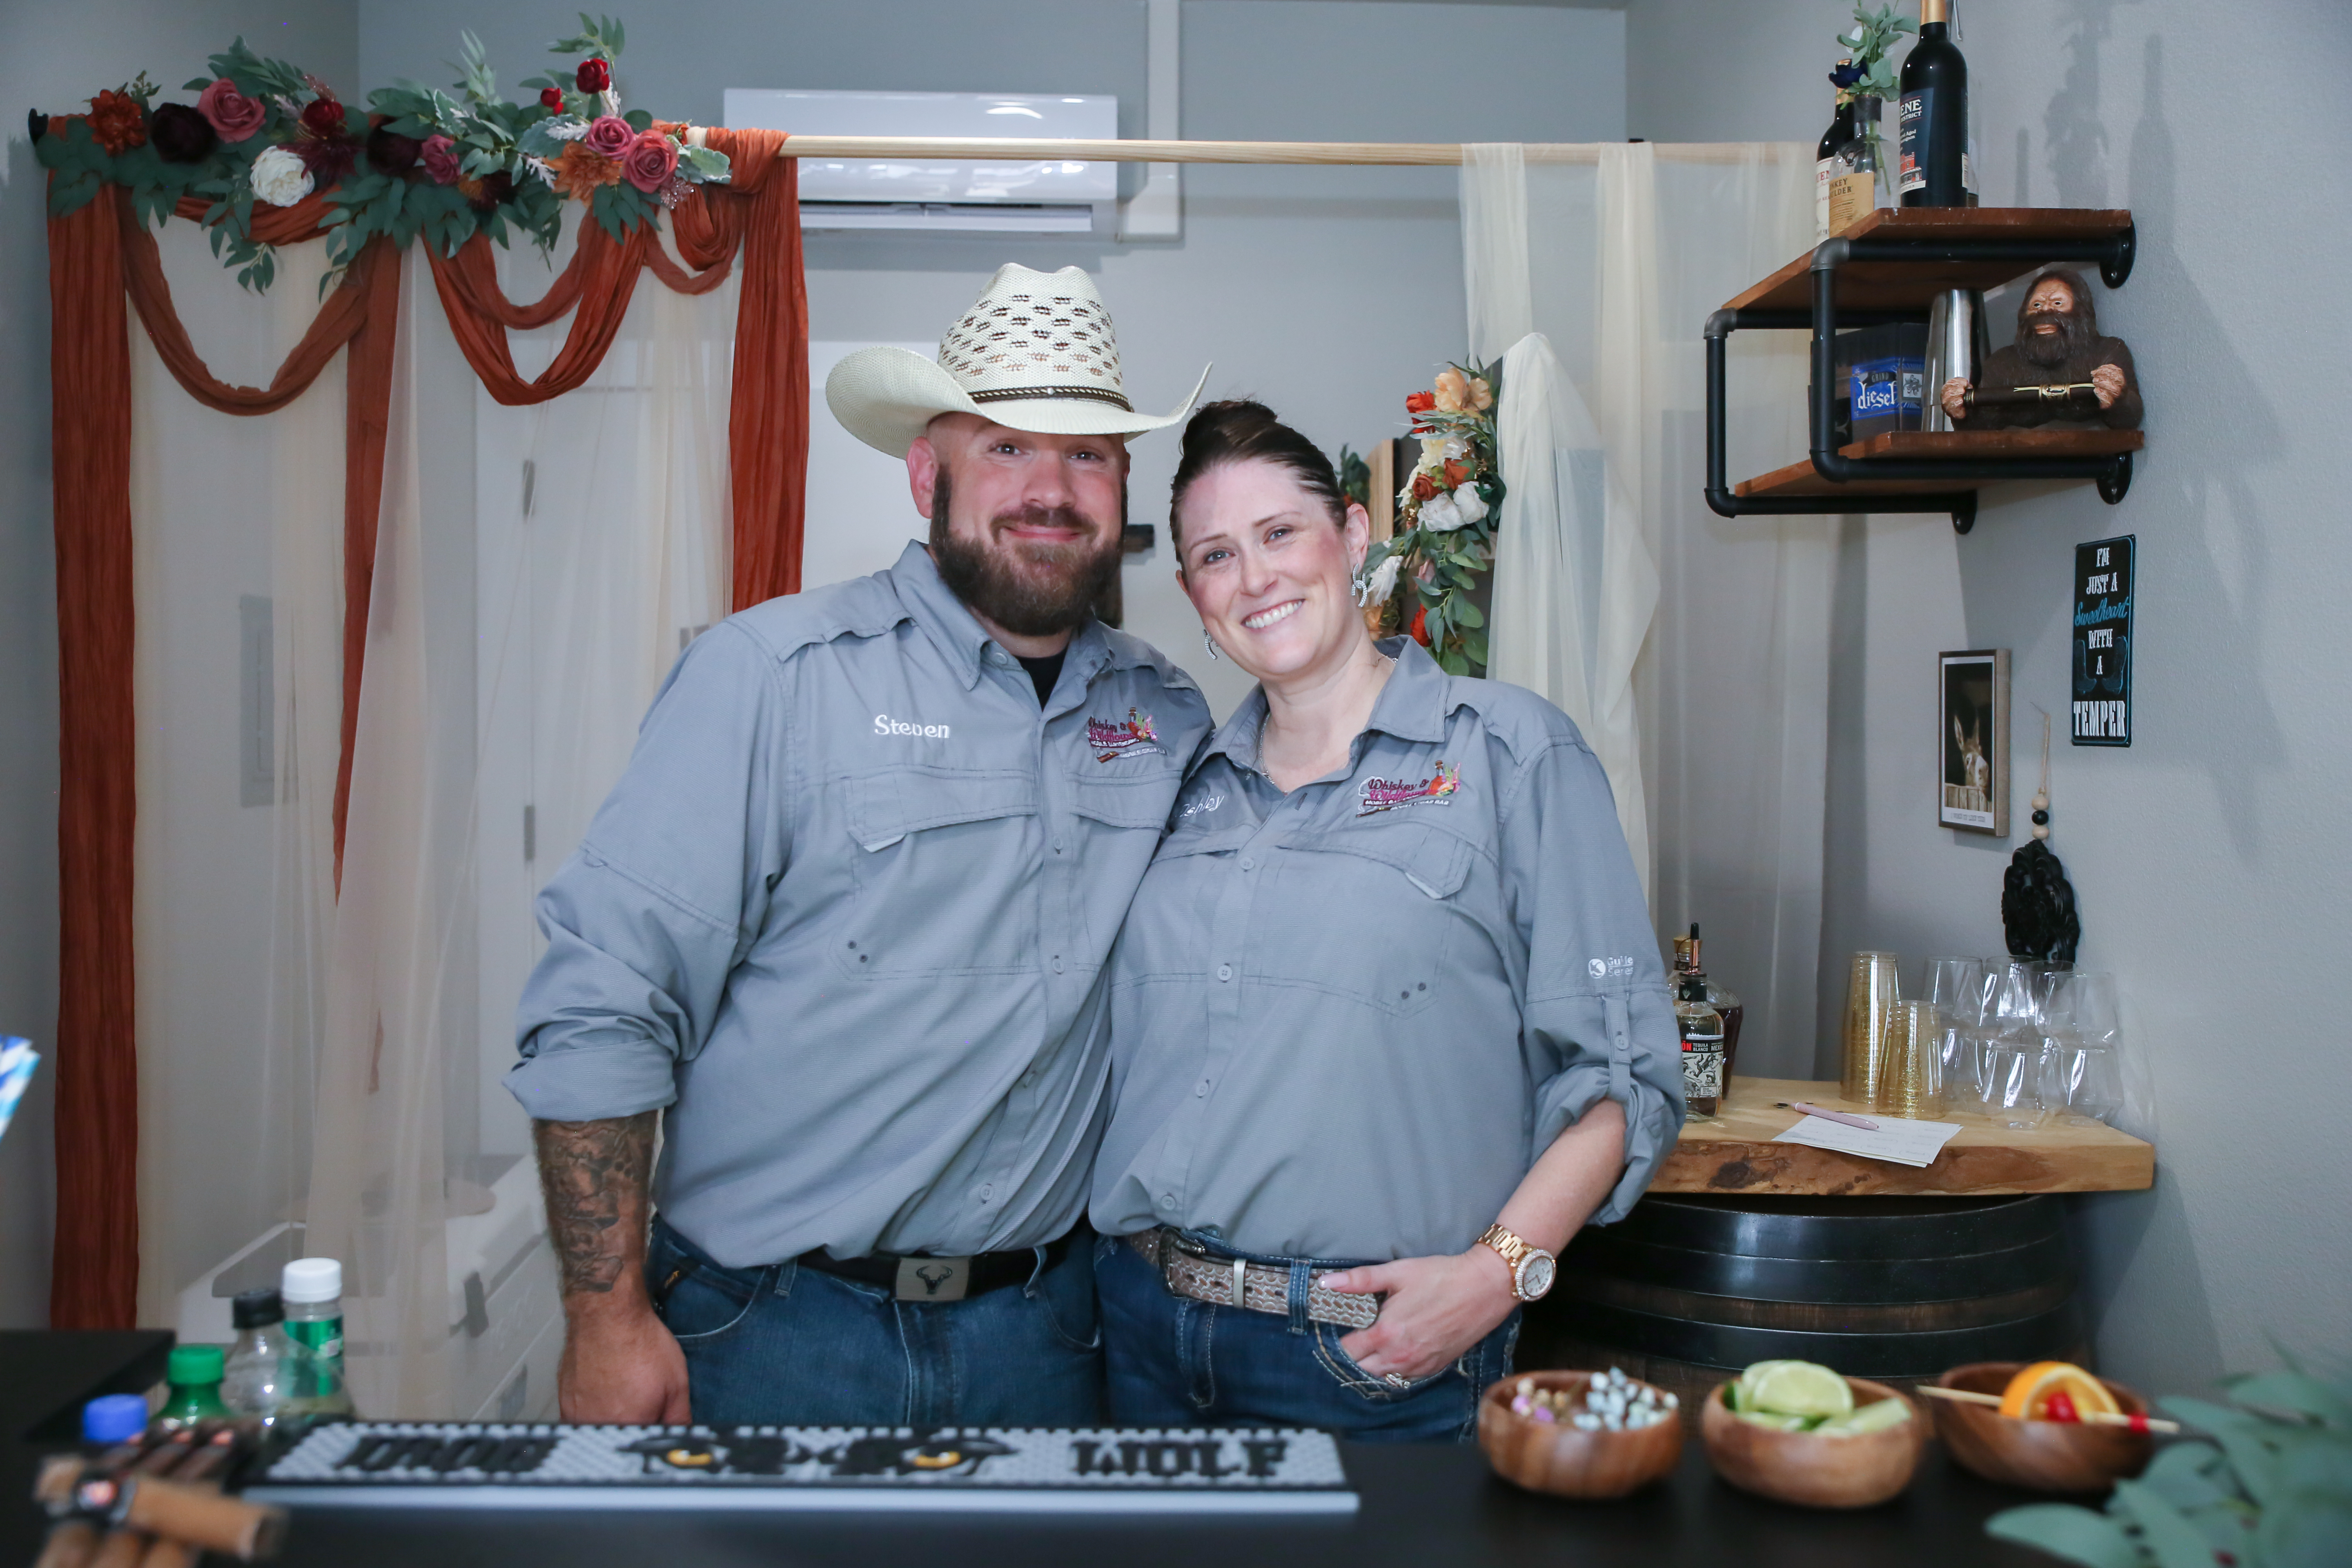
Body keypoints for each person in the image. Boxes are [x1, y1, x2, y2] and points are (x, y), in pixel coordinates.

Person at [508, 264, 1214, 1429]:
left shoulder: (1168, 715)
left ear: (1122, 485)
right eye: (1005, 447)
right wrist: (604, 1318)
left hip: (1046, 1339)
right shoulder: (769, 678)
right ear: (927, 474)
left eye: (1087, 454)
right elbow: (604, 1004)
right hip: (775, 1333)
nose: (1049, 490)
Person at [1090, 401, 1683, 1441]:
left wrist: (1496, 1274)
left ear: (1354, 535)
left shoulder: (1511, 755)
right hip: (1139, 1331)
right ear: (1192, 595)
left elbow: (1621, 1075)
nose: (1255, 577)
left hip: (1368, 1356)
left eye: (1280, 533)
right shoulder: (1178, 781)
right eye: (1217, 555)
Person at [1939, 266, 2143, 430]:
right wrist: (1960, 411)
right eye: (2036, 305)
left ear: (2081, 313)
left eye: (2058, 303)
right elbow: (1983, 426)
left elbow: (2129, 419)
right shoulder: (2003, 363)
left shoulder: (2106, 352)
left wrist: (2119, 397)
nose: (2045, 310)